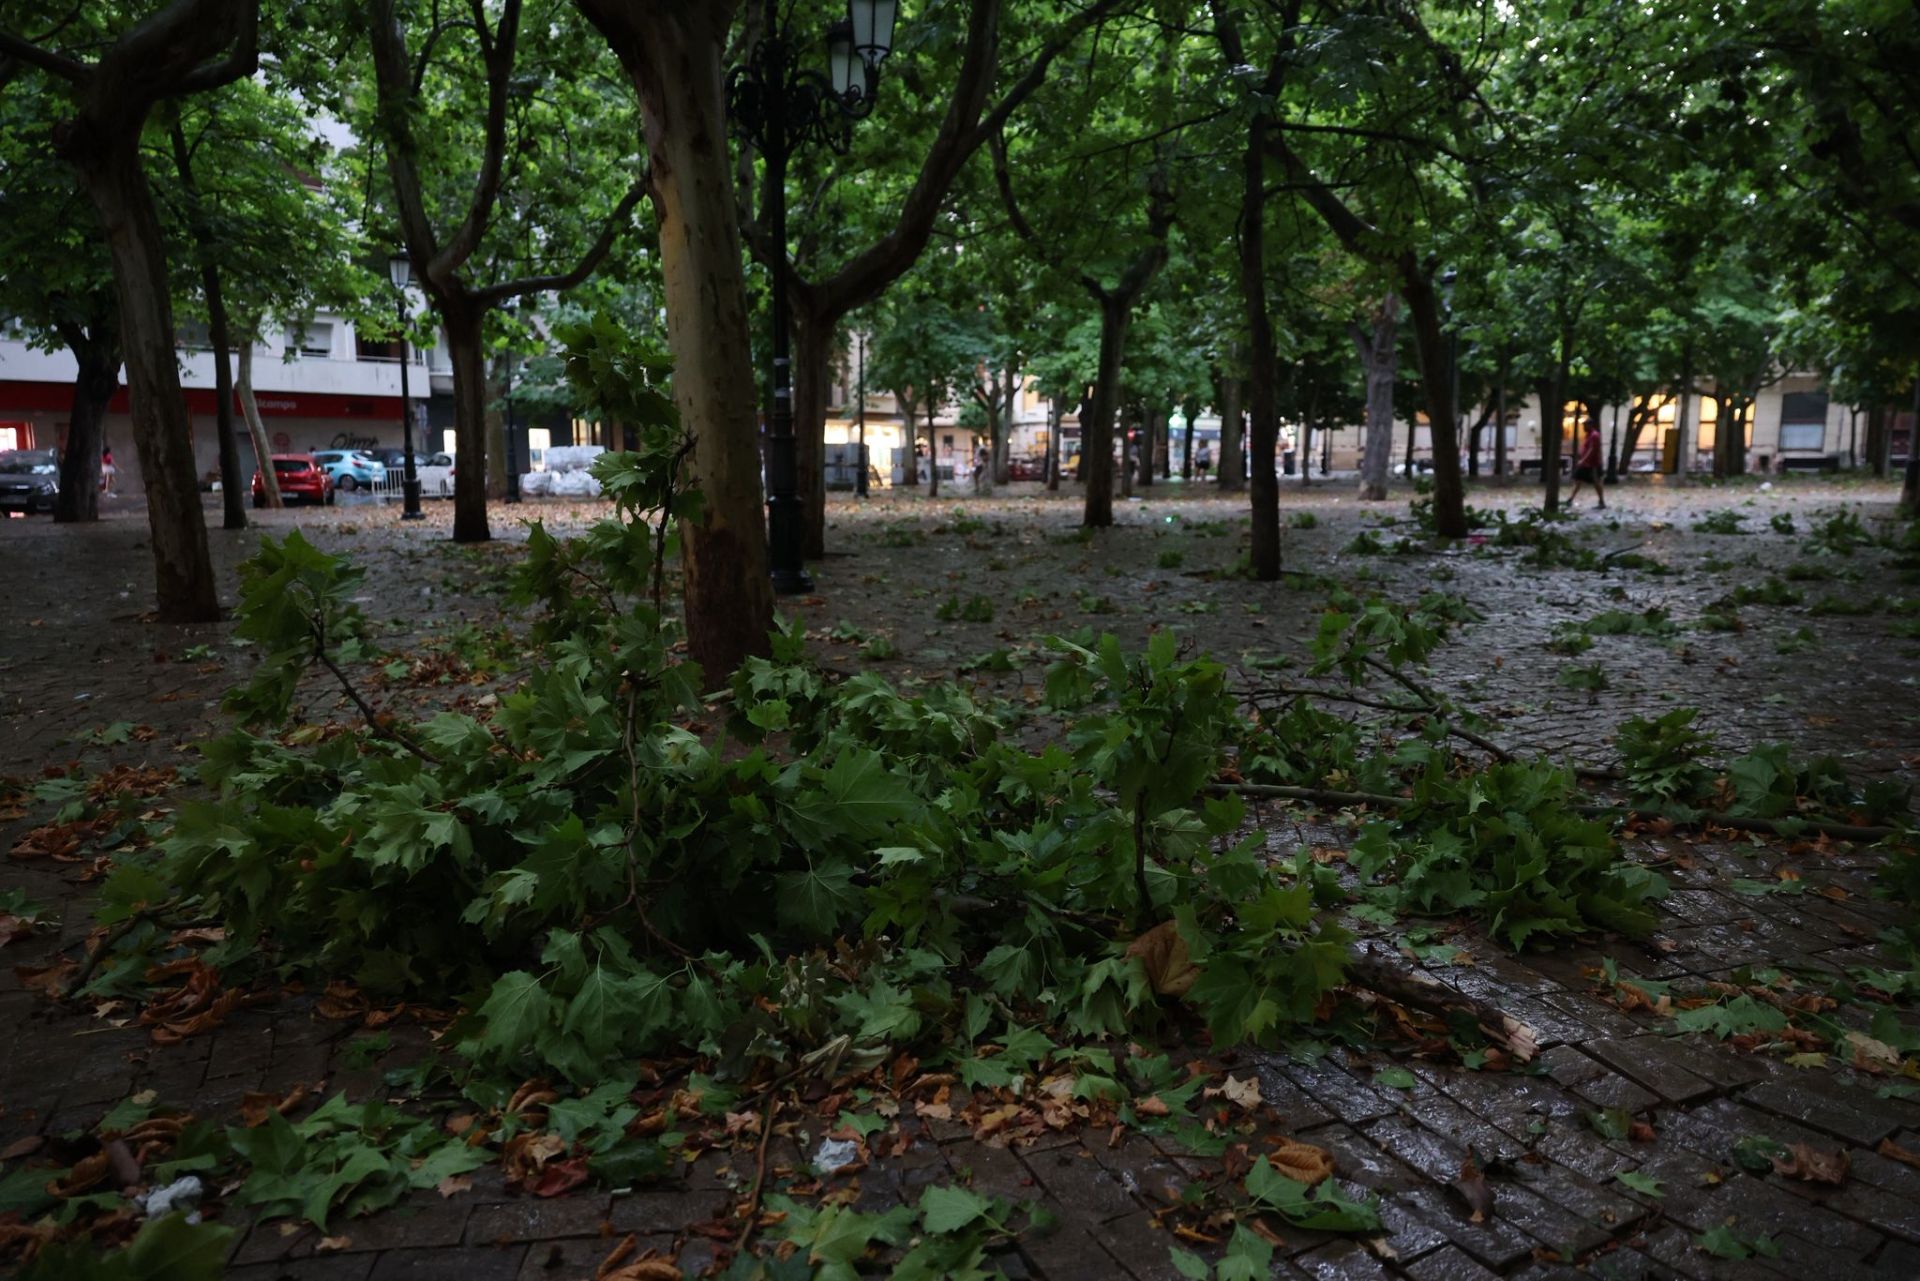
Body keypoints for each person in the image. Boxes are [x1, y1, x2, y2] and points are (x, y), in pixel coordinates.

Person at [1568, 421, 1606, 509]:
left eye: (1585, 425)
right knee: (1578, 480)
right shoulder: (1589, 435)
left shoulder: (1594, 435)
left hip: (1592, 464)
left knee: (1596, 482)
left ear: (1590, 425)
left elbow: (1592, 450)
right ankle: (1570, 499)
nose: (1583, 428)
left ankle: (1601, 501)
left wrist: (1583, 460)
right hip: (1586, 464)